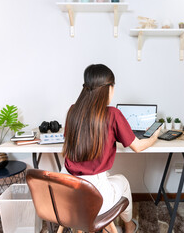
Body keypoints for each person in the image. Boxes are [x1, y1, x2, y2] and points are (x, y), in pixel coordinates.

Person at [62, 64, 160, 233]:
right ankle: (129, 226)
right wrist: (154, 137)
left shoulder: (73, 111)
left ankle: (82, 224)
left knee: (107, 177)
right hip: (97, 199)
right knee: (123, 182)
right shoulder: (112, 114)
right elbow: (137, 146)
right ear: (108, 89)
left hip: (68, 194)